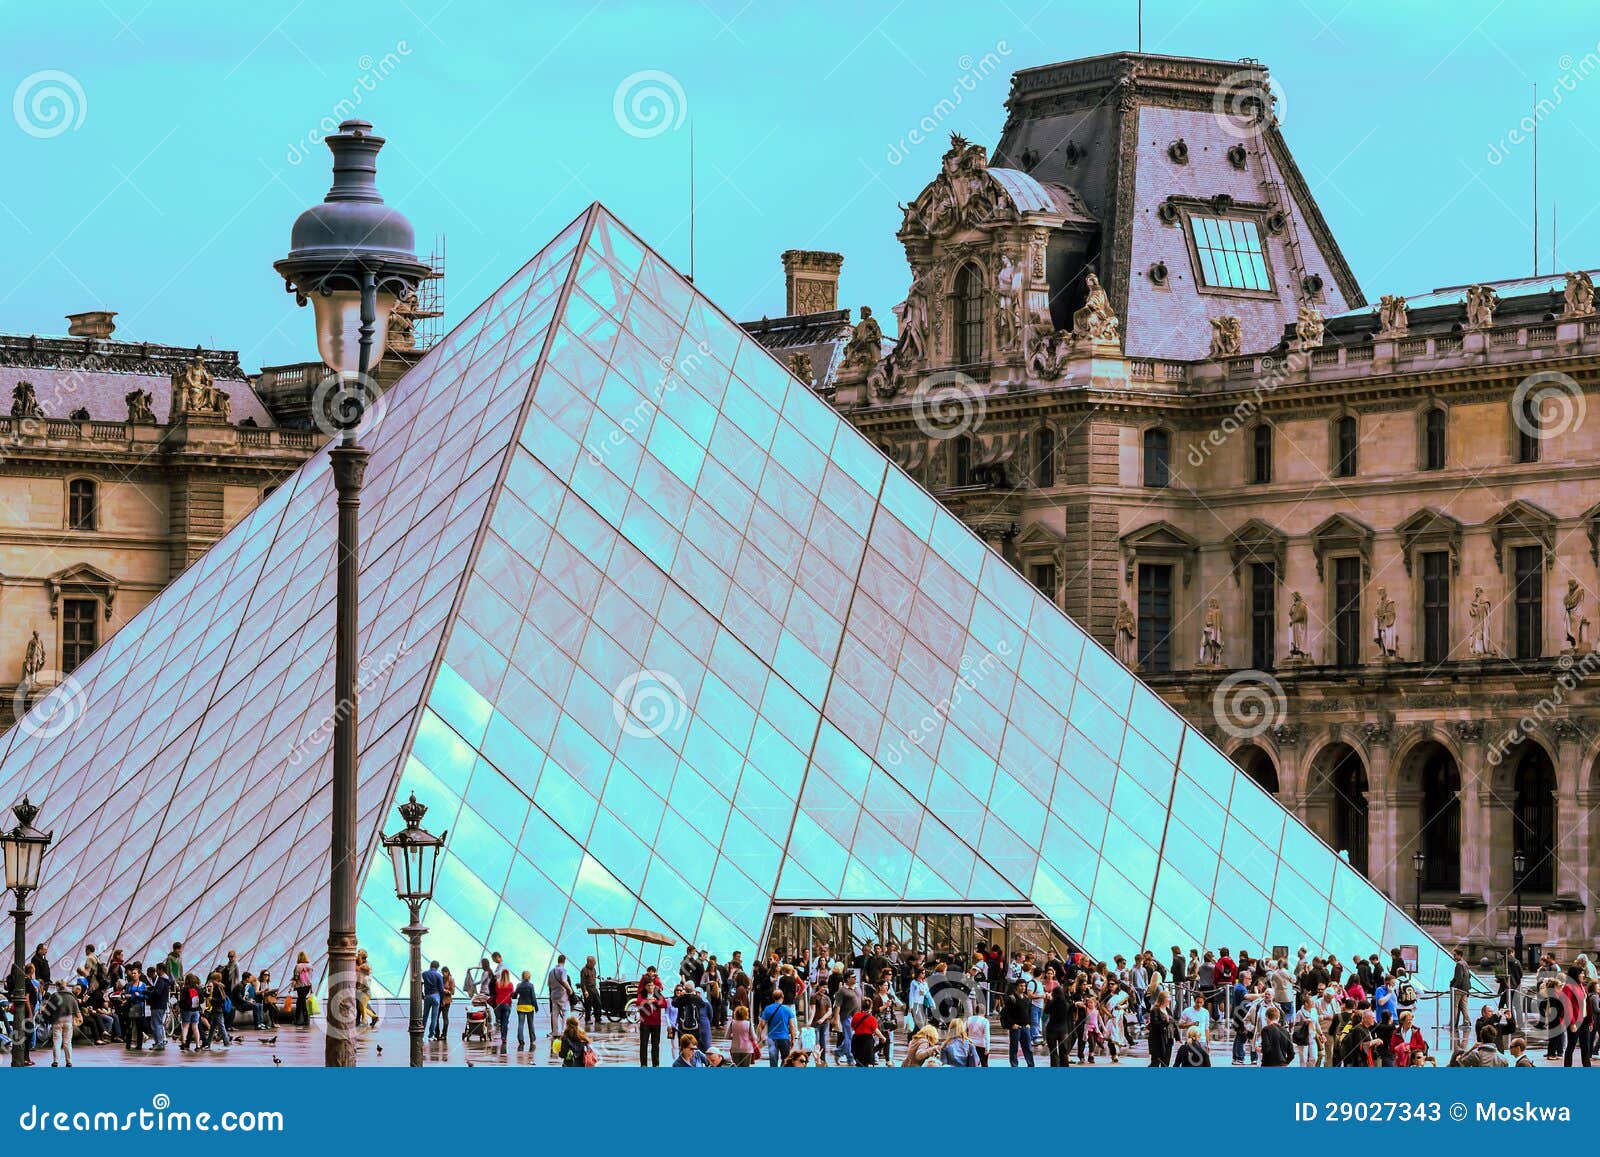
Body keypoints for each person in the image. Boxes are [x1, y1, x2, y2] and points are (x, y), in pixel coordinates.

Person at [1001, 979, 1034, 1067]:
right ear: (1017, 987)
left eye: (1024, 986)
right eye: (1021, 986)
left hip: (1025, 1027)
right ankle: (1014, 1065)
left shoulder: (1027, 998)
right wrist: (1012, 1024)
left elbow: (1029, 1012)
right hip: (1016, 1028)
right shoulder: (1012, 998)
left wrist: (1029, 1023)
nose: (1023, 988)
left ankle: (1031, 1065)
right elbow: (1006, 1013)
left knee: (1028, 1048)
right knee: (1014, 1048)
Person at [760, 990, 795, 1066]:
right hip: (784, 1038)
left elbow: (762, 1023)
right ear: (783, 996)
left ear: (773, 998)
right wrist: (793, 1039)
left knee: (773, 1061)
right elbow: (792, 1026)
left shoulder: (768, 1008)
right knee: (786, 1060)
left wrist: (767, 1028)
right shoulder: (787, 1009)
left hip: (772, 1038)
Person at [46, 981, 77, 1068]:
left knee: (57, 1041)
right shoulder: (71, 996)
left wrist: (48, 1019)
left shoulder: (54, 996)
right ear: (65, 986)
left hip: (57, 1021)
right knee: (67, 1042)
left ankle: (55, 1061)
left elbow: (48, 1010)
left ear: (57, 987)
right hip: (68, 1021)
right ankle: (69, 1062)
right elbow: (76, 1010)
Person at [635, 979, 666, 1067]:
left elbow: (664, 1004)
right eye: (648, 986)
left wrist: (655, 1001)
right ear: (645, 987)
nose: (650, 987)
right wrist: (646, 1001)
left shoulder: (657, 994)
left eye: (652, 985)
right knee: (643, 1044)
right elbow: (637, 1002)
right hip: (645, 1023)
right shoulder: (642, 994)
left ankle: (656, 1064)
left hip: (656, 1023)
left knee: (656, 1045)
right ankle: (644, 1064)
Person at [545, 954, 575, 1037]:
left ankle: (555, 1031)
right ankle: (564, 1031)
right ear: (564, 961)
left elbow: (549, 984)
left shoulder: (551, 971)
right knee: (566, 1012)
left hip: (554, 996)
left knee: (555, 1014)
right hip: (562, 995)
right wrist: (570, 989)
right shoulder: (563, 970)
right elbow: (564, 980)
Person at [849, 997, 881, 1067]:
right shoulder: (871, 1018)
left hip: (856, 1040)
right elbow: (876, 1031)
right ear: (871, 1007)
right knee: (866, 1063)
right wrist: (883, 1037)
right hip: (867, 1041)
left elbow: (852, 1027)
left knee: (859, 1062)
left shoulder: (856, 1015)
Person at [1147, 988, 1175, 1067]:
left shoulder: (1168, 1010)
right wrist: (1165, 1022)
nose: (1170, 999)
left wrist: (1177, 1037)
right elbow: (1155, 1025)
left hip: (1168, 1039)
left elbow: (1172, 1024)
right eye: (1168, 997)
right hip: (1158, 1040)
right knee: (1155, 1062)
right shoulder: (1155, 1010)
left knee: (1166, 1063)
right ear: (1163, 999)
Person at [807, 978, 832, 1065]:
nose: (825, 989)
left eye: (826, 987)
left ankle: (823, 1059)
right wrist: (810, 1021)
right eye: (823, 987)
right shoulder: (814, 997)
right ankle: (814, 1058)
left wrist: (823, 1018)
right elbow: (812, 1010)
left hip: (825, 1023)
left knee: (823, 1042)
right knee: (816, 1042)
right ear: (819, 987)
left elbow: (830, 1011)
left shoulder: (827, 998)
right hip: (816, 1023)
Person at [514, 970, 539, 1049]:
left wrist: (512, 994)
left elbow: (514, 996)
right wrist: (536, 1007)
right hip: (529, 1007)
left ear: (522, 977)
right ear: (529, 977)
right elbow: (533, 998)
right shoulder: (531, 986)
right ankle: (532, 1039)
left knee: (521, 1024)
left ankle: (521, 1039)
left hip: (520, 1007)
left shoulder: (519, 985)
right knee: (530, 1023)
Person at [492, 968, 514, 1051]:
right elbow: (512, 993)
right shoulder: (510, 984)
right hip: (507, 1004)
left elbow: (496, 992)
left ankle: (502, 1035)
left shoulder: (498, 983)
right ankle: (504, 1037)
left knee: (501, 1021)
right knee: (505, 1021)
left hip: (499, 1004)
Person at [421, 960, 444, 1040]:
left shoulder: (424, 974)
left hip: (427, 996)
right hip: (436, 996)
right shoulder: (439, 975)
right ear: (437, 967)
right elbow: (441, 989)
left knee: (425, 1016)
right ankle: (431, 1035)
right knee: (434, 1017)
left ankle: (421, 1032)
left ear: (430, 965)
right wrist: (442, 999)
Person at [965, 1001, 991, 1066]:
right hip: (982, 1045)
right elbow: (987, 1036)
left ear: (975, 1011)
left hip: (970, 1045)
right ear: (984, 1012)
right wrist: (987, 1048)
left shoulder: (969, 1019)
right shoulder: (985, 1021)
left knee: (970, 1064)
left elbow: (962, 1030)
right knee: (984, 1064)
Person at [291, 951, 313, 1027]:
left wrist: (291, 987)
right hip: (308, 986)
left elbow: (296, 977)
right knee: (299, 1002)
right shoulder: (310, 965)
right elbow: (309, 977)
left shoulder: (298, 966)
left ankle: (303, 1020)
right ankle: (298, 1019)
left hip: (301, 987)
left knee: (302, 1003)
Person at [580, 956, 601, 1028]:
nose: (594, 965)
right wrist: (585, 991)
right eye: (593, 963)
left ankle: (598, 1018)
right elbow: (582, 982)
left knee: (598, 1003)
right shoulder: (584, 970)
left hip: (594, 988)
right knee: (588, 1005)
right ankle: (587, 1019)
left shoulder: (594, 969)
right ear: (589, 962)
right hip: (588, 989)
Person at [439, 967, 456, 1039]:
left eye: (444, 973)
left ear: (448, 972)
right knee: (436, 1017)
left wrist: (446, 991)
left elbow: (453, 992)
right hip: (440, 1000)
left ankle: (444, 1034)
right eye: (442, 973)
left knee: (445, 1017)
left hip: (447, 1001)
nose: (443, 974)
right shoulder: (441, 979)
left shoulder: (451, 979)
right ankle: (437, 1033)